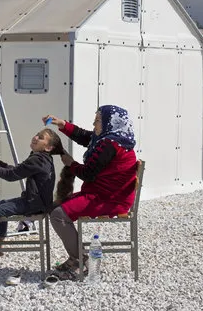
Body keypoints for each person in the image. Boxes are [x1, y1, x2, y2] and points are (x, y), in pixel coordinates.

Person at [43, 105, 137, 280]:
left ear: (111, 122)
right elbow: (87, 137)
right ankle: (77, 257)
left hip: (109, 199)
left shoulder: (110, 145)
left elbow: (88, 173)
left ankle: (79, 260)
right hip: (103, 194)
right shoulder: (113, 139)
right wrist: (63, 124)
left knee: (57, 214)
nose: (94, 122)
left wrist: (71, 163)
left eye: (98, 119)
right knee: (57, 208)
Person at [0, 128, 65, 270]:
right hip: (39, 203)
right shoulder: (42, 158)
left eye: (41, 137)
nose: (35, 137)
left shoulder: (38, 159)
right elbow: (18, 169)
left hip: (33, 204)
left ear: (48, 147)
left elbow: (11, 175)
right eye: (37, 134)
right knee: (0, 206)